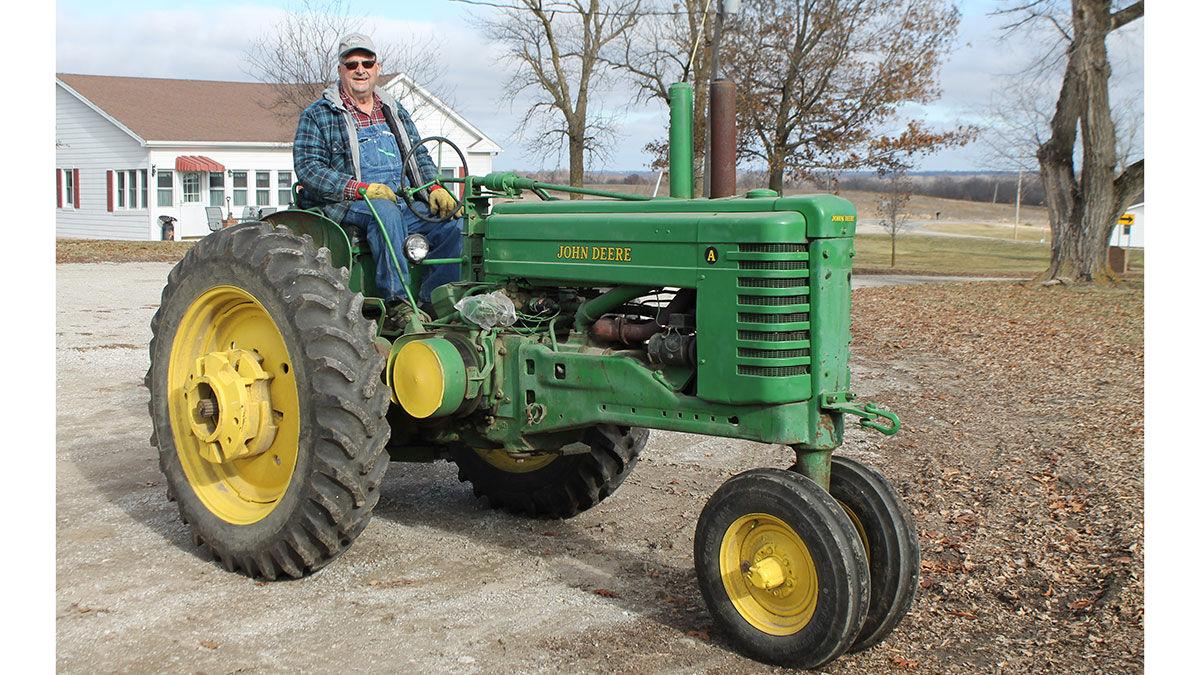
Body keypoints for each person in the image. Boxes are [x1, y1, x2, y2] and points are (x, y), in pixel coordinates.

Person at [293, 32, 461, 308]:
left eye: (367, 63)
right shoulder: (319, 114)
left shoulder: (393, 110)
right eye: (352, 64)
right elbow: (309, 169)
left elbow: (418, 154)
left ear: (377, 68)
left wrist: (434, 187)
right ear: (340, 70)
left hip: (400, 198)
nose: (360, 70)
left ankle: (436, 302)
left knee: (450, 223)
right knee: (385, 212)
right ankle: (396, 303)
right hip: (347, 203)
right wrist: (360, 189)